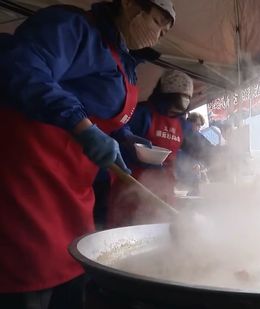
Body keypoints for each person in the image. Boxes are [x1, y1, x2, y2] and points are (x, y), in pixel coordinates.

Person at [0, 1, 175, 308]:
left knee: (73, 271)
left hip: (72, 192)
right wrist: (80, 125)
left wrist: (124, 137)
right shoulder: (74, 27)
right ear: (131, 6)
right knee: (31, 277)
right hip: (28, 182)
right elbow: (21, 66)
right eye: (159, 22)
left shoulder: (125, 60)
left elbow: (100, 111)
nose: (160, 35)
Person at [108, 69, 193, 226]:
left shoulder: (182, 124)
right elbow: (119, 127)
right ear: (162, 96)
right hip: (132, 187)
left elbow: (198, 146)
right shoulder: (142, 112)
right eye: (172, 106)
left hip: (164, 192)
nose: (174, 113)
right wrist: (127, 138)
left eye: (179, 110)